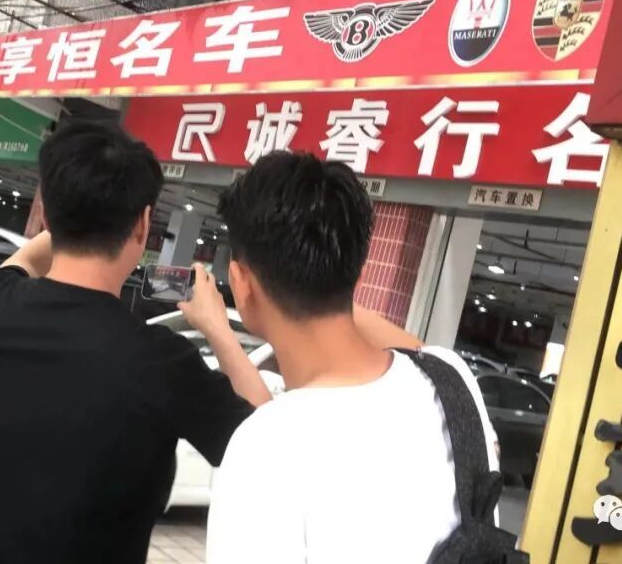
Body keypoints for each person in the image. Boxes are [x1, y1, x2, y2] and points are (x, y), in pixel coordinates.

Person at [0, 121, 272, 564]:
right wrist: (218, 329)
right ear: (143, 225)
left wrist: (68, 212)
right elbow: (270, 447)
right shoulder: (161, 363)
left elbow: (22, 262)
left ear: (47, 215)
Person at [202, 151, 500, 564]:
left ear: (240, 282)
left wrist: (219, 325)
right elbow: (417, 349)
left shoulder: (261, 451)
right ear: (357, 271)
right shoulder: (453, 379)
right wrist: (327, 275)